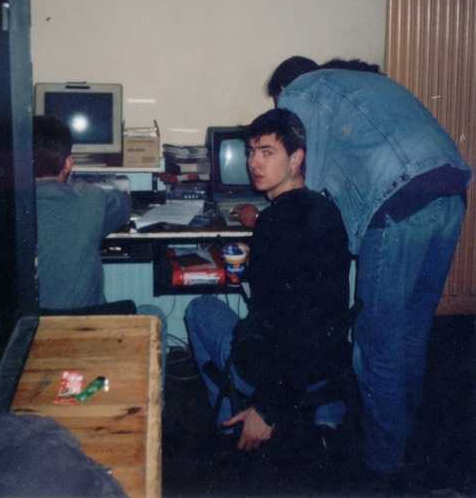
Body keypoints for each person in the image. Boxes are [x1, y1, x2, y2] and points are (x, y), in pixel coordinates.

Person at [264, 56, 471, 481]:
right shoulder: (358, 84)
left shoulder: (302, 91)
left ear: (284, 90)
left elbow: (308, 192)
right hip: (449, 193)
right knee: (410, 332)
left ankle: (383, 466)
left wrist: (271, 212)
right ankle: (406, 443)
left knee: (376, 346)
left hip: (399, 204)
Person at [185, 108, 352, 454]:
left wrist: (267, 408)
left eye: (267, 152)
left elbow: (290, 325)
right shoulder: (324, 208)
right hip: (327, 363)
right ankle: (325, 414)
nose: (253, 163)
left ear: (296, 158)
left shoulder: (274, 226)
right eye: (251, 152)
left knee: (200, 308)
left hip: (279, 373)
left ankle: (231, 424)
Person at [32, 115, 167, 377]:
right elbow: (124, 204)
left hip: (31, 336)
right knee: (154, 314)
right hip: (89, 332)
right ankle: (149, 400)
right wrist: (82, 186)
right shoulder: (91, 197)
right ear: (68, 162)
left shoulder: (6, 208)